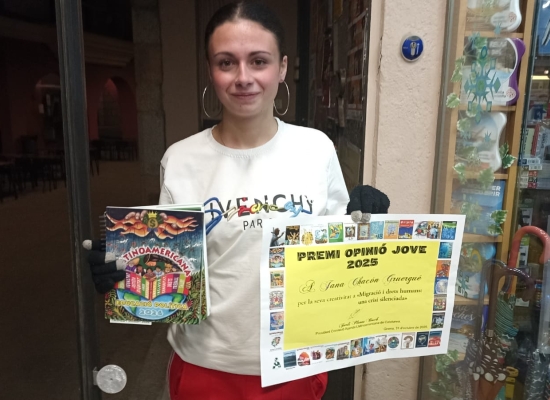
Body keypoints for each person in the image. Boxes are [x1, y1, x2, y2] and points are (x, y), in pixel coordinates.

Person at [85, 2, 389, 399]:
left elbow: (340, 256)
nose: (243, 77)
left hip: (293, 364)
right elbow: (168, 266)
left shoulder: (316, 149)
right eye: (226, 62)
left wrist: (366, 220)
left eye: (258, 61)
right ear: (210, 70)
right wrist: (122, 272)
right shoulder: (181, 159)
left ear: (281, 68)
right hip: (205, 367)